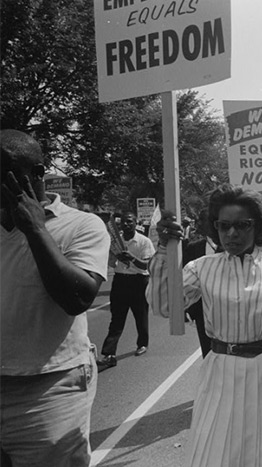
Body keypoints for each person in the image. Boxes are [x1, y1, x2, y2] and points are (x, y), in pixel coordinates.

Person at [148, 184, 262, 467]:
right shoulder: (201, 268)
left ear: (257, 227)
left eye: (242, 225)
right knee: (214, 450)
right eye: (224, 225)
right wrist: (162, 251)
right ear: (214, 227)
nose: (232, 233)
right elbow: (165, 306)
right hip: (220, 371)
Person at [0, 129, 110, 467]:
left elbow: (77, 299)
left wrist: (35, 228)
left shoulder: (82, 226)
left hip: (49, 389)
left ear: (34, 174)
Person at [97, 211, 155, 369]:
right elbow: (111, 263)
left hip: (139, 282)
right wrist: (116, 258)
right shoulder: (116, 242)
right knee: (116, 319)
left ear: (136, 223)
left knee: (140, 315)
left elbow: (146, 265)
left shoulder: (144, 241)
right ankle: (109, 354)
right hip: (120, 281)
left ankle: (142, 343)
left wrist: (131, 258)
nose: (127, 224)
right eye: (123, 222)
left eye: (130, 221)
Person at [182, 208, 219, 358]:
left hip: (228, 308)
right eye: (197, 221)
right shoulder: (193, 248)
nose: (198, 224)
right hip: (202, 311)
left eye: (202, 221)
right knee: (208, 353)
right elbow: (184, 280)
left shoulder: (231, 247)